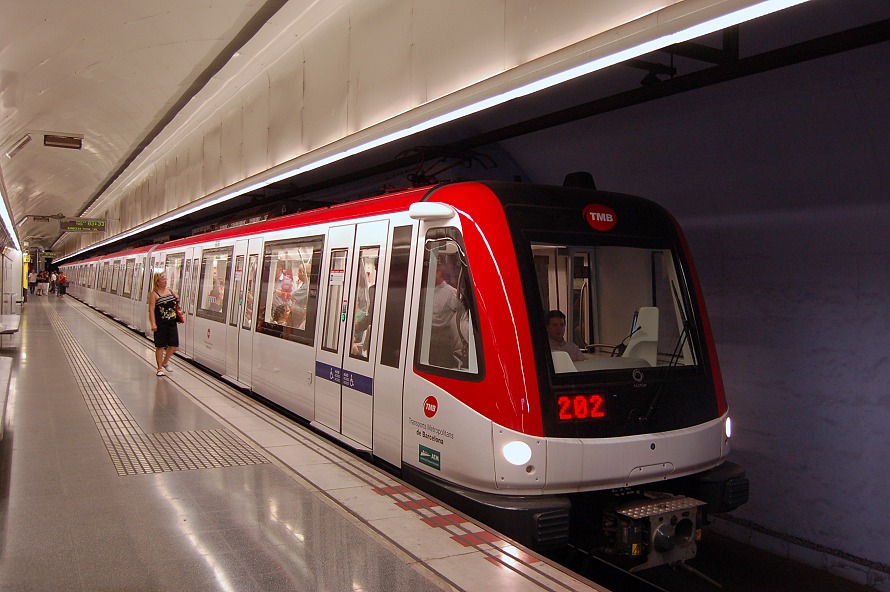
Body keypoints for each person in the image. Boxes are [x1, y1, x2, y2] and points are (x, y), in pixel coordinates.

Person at [429, 263, 463, 368]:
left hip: (442, 338)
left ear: (438, 274)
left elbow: (461, 314)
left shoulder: (451, 293)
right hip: (427, 336)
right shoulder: (427, 291)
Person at [148, 272, 180, 376]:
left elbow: (174, 305)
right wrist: (153, 323)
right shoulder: (154, 294)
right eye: (163, 279)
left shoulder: (170, 291)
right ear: (157, 282)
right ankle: (159, 368)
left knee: (174, 344)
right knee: (160, 346)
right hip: (161, 323)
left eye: (166, 279)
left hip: (172, 322)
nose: (165, 281)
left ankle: (165, 362)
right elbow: (151, 310)